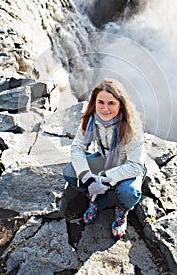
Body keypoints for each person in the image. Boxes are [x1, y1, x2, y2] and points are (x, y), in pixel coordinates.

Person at [61, 78, 146, 240]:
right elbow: (77, 148)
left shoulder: (131, 126)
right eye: (101, 102)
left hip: (127, 165)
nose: (105, 108)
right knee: (70, 172)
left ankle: (121, 210)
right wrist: (88, 179)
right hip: (104, 159)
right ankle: (94, 198)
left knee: (129, 192)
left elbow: (135, 166)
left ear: (120, 103)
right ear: (94, 102)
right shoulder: (90, 119)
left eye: (111, 103)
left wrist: (104, 179)